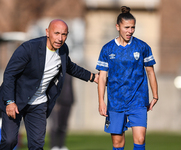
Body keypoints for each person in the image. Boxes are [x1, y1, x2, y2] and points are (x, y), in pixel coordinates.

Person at [0, 19, 98, 150]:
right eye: (56, 33)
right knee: (10, 141)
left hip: (38, 104)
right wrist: (10, 101)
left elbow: (70, 67)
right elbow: (9, 74)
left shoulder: (63, 50)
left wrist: (93, 77)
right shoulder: (28, 48)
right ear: (47, 32)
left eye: (64, 34)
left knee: (37, 145)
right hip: (16, 101)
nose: (60, 38)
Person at [96, 6, 158, 150]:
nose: (130, 31)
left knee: (140, 139)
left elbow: (150, 72)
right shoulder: (107, 49)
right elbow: (103, 77)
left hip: (138, 100)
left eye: (133, 27)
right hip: (115, 102)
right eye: (127, 27)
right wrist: (101, 101)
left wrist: (155, 95)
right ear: (118, 27)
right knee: (118, 143)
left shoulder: (142, 47)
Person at [49, 73, 74, 150]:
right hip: (58, 102)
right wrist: (55, 101)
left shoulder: (70, 72)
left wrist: (72, 99)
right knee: (56, 125)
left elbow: (70, 86)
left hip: (68, 101)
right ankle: (54, 146)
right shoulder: (56, 71)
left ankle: (61, 146)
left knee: (64, 125)